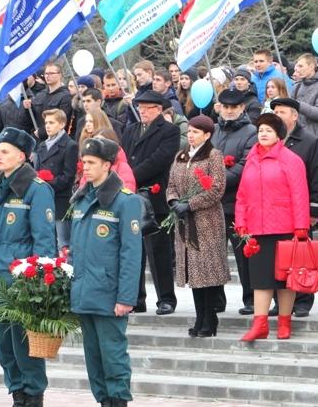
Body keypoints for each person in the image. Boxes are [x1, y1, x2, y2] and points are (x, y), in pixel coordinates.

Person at [0, 127, 56, 407]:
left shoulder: (36, 190)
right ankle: (17, 395)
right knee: (5, 350)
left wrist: (38, 286)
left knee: (25, 349)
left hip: (21, 286)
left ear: (21, 156)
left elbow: (44, 244)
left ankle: (33, 397)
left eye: (4, 151)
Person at [69, 137, 142, 407]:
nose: (85, 167)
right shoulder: (81, 199)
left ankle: (118, 401)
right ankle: (103, 401)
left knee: (113, 356)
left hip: (109, 294)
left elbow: (131, 254)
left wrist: (125, 297)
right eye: (84, 162)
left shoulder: (125, 201)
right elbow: (76, 249)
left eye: (91, 163)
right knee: (94, 359)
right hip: (85, 292)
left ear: (108, 165)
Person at [235, 113, 309, 342]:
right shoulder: (251, 160)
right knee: (260, 279)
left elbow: (299, 195)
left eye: (268, 130)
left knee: (285, 280)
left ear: (279, 135)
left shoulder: (291, 160)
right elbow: (242, 195)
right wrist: (241, 222)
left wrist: (301, 226)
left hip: (285, 227)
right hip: (257, 228)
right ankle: (260, 323)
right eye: (260, 130)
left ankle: (285, 322)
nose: (263, 134)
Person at [166, 115, 229, 337]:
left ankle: (209, 318)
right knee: (193, 273)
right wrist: (174, 200)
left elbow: (217, 188)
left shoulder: (213, 155)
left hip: (206, 221)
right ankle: (199, 315)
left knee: (206, 272)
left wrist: (191, 204)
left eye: (195, 132)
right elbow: (172, 183)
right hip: (185, 222)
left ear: (207, 134)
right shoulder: (181, 155)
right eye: (190, 131)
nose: (190, 135)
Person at [121, 90, 180, 314]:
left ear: (157, 109)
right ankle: (136, 298)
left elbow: (160, 160)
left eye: (146, 108)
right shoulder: (130, 130)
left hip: (155, 197)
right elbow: (123, 157)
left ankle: (166, 298)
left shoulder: (169, 131)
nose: (142, 111)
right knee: (133, 250)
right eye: (140, 107)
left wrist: (130, 176)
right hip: (131, 196)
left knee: (159, 252)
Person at [271, 97, 318, 313]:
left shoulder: (309, 141)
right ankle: (281, 301)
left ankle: (303, 300)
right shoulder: (269, 141)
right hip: (275, 212)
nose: (277, 116)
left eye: (282, 112)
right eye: (274, 112)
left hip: (300, 210)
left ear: (294, 115)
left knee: (300, 256)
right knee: (278, 258)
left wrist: (314, 210)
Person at [212, 88, 257, 315]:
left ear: (242, 108)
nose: (229, 111)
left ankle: (250, 298)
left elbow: (244, 166)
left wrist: (215, 181)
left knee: (243, 255)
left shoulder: (251, 132)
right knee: (215, 254)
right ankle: (216, 299)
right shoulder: (213, 130)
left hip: (237, 203)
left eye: (234, 108)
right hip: (212, 204)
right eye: (225, 107)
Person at [34, 109, 78, 250]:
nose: (47, 126)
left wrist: (46, 186)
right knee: (47, 241)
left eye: (51, 122)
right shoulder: (41, 146)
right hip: (44, 201)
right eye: (46, 122)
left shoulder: (70, 145)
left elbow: (68, 176)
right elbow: (37, 171)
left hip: (60, 200)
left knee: (63, 243)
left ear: (62, 124)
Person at [291, 53, 318, 150]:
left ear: (311, 67)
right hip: (296, 138)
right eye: (296, 66)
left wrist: (298, 105)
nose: (297, 69)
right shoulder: (296, 87)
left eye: (301, 66)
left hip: (314, 142)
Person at [28, 62, 73, 140]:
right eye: (46, 73)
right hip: (37, 140)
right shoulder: (41, 95)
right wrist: (28, 107)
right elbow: (32, 116)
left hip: (56, 140)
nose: (48, 76)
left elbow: (62, 121)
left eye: (51, 73)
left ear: (60, 75)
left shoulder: (66, 97)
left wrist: (41, 132)